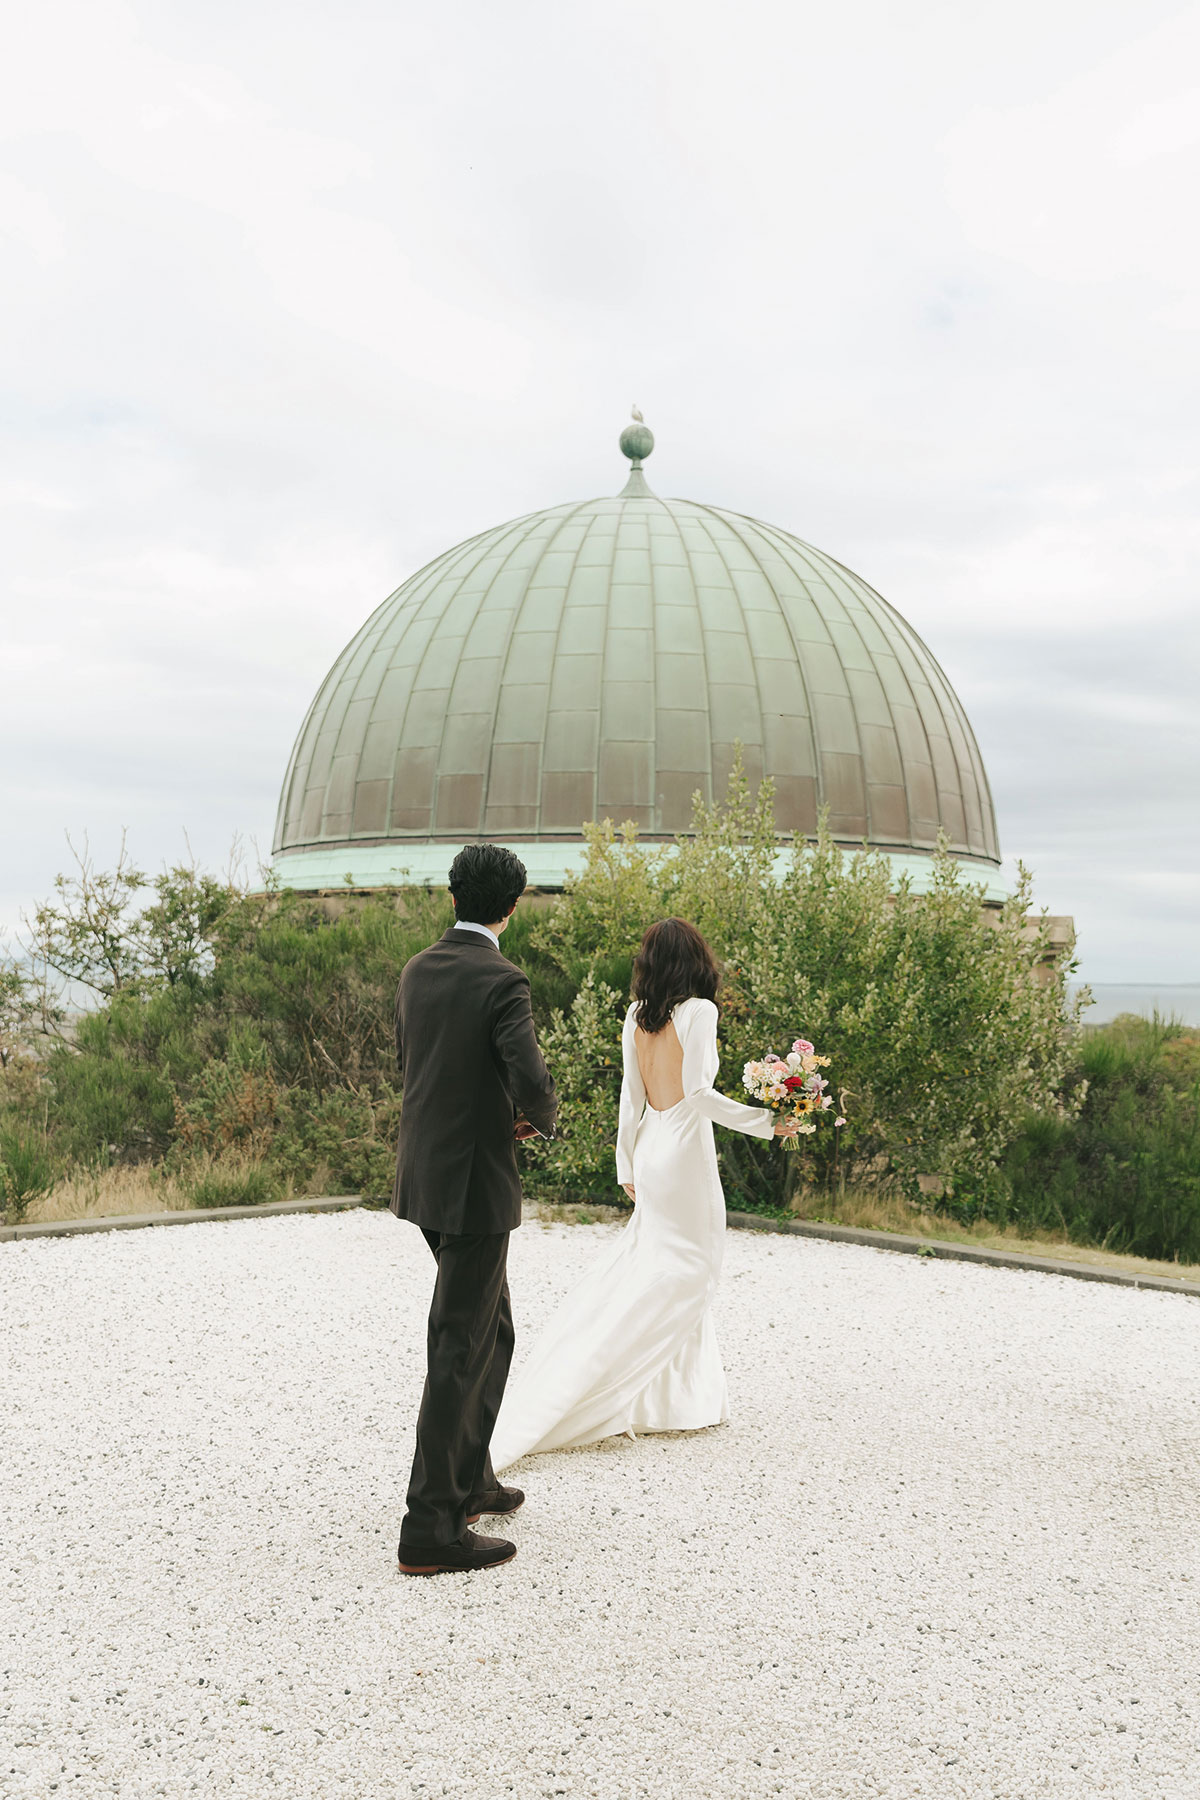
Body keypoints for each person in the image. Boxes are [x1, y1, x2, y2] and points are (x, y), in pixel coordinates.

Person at [488, 917, 795, 1470]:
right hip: (682, 1155)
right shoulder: (700, 1012)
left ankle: (680, 1399)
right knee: (692, 1271)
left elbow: (631, 1097)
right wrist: (767, 1122)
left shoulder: (636, 1016)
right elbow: (700, 1093)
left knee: (662, 1265)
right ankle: (607, 1378)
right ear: (695, 960)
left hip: (651, 1148)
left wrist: (625, 1160)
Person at [392, 844, 557, 1576]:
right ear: (510, 908)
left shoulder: (417, 969)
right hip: (477, 1186)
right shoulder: (503, 979)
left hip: (424, 1177)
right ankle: (430, 1525)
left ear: (452, 895)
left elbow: (419, 1062)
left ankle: (474, 1477)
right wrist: (537, 1117)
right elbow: (531, 1077)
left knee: (493, 1328)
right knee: (461, 1345)